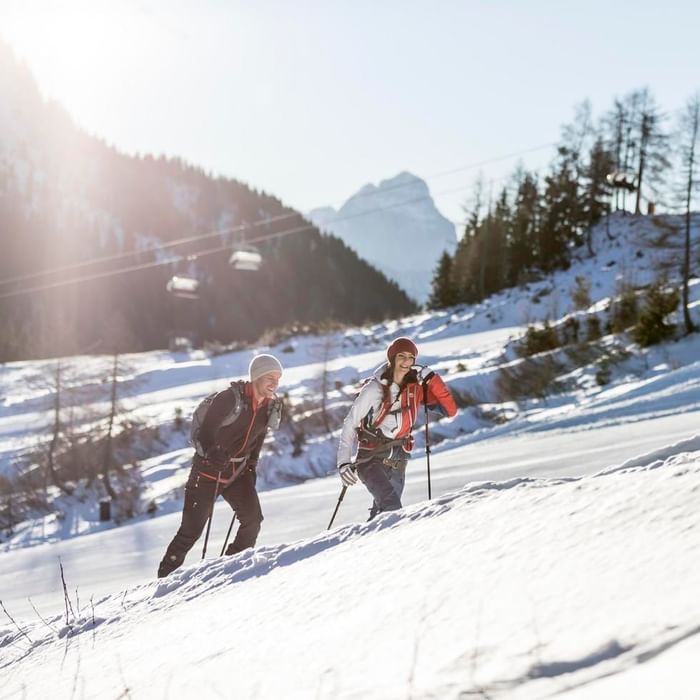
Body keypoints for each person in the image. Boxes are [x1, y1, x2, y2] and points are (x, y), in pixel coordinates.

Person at [158, 354, 283, 578]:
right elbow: (206, 432)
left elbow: (258, 438)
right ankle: (164, 580)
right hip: (207, 472)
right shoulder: (228, 399)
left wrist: (252, 466)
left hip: (237, 473)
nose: (275, 383)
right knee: (190, 532)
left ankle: (230, 570)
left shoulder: (269, 406)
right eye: (270, 378)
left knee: (253, 520)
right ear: (256, 377)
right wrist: (213, 452)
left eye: (278, 378)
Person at [337, 337, 457, 519]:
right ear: (392, 358)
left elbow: (450, 410)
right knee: (392, 510)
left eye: (411, 357)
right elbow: (350, 422)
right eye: (401, 356)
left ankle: (366, 544)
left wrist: (433, 379)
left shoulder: (416, 388)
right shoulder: (374, 389)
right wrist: (344, 462)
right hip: (371, 460)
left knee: (383, 516)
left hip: (398, 460)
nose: (406, 361)